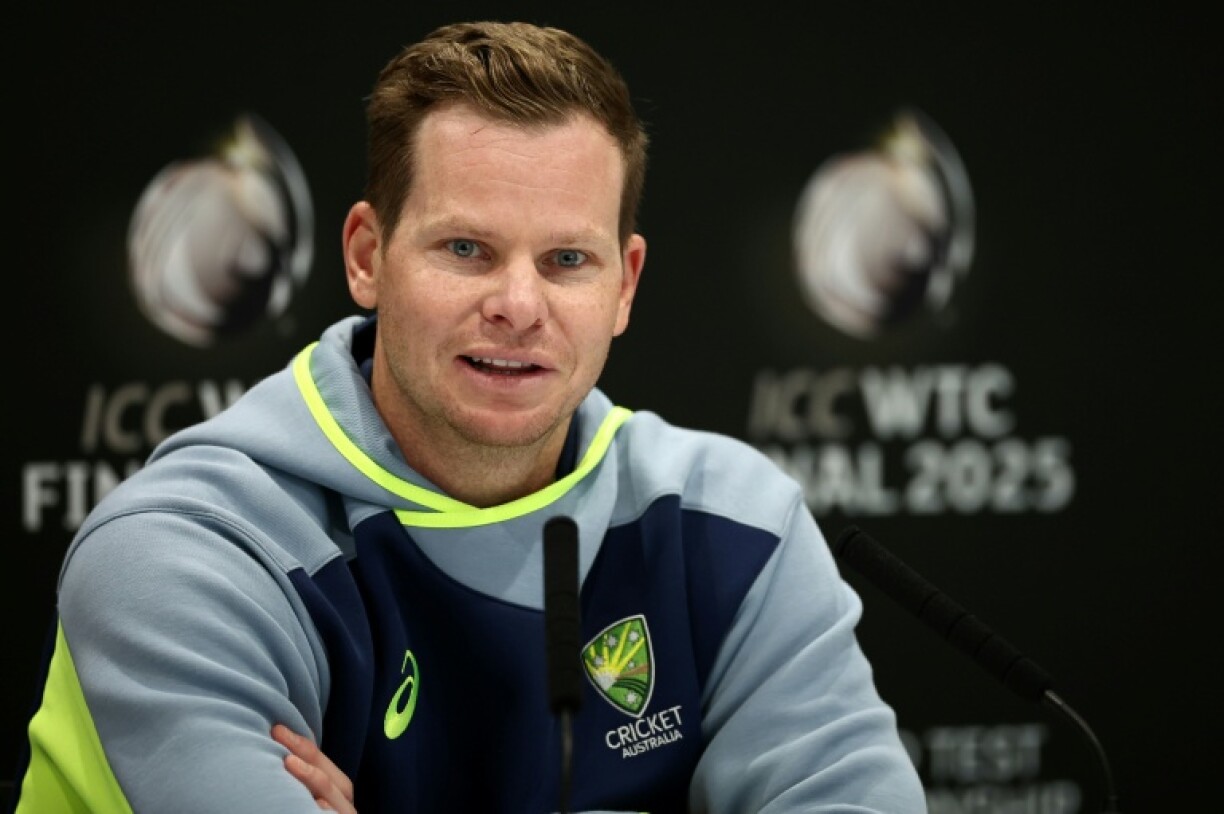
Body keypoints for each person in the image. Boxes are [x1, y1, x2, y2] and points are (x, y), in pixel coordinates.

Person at [12, 20, 927, 814]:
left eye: (568, 259)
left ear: (625, 284)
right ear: (368, 257)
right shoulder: (189, 552)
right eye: (465, 248)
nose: (519, 304)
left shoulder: (734, 524)